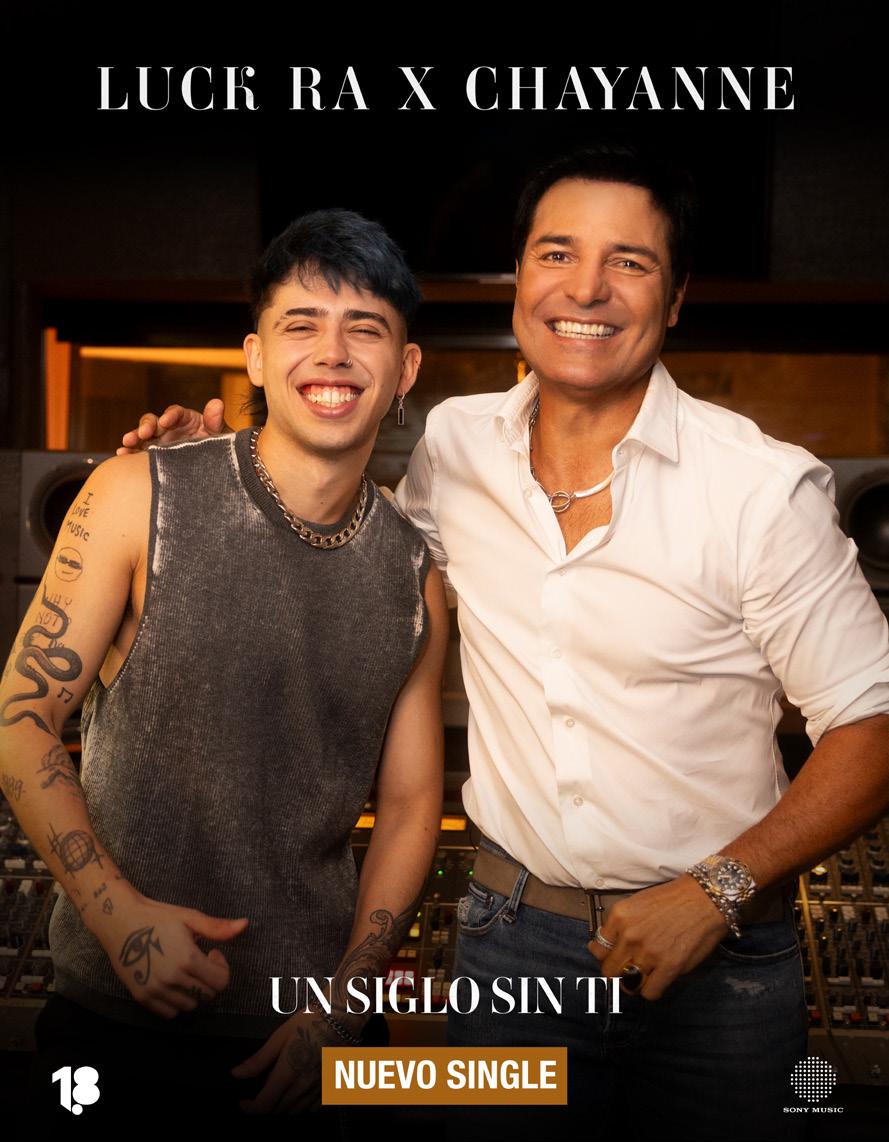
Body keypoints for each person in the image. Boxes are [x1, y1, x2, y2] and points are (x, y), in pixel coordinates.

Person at [118, 148, 889, 1140]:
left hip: (722, 964)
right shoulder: (455, 446)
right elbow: (337, 540)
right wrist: (214, 470)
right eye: (556, 253)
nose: (585, 289)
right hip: (510, 945)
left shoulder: (760, 490)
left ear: (675, 298)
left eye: (629, 262)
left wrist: (716, 891)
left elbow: (872, 726)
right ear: (519, 277)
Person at [0, 208, 448, 1131]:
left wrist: (344, 1005)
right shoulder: (136, 492)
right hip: (116, 1023)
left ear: (404, 370)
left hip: (310, 1037)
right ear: (254, 357)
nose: (333, 354)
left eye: (364, 328)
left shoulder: (417, 579)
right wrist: (118, 918)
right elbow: (20, 719)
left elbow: (410, 808)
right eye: (301, 324)